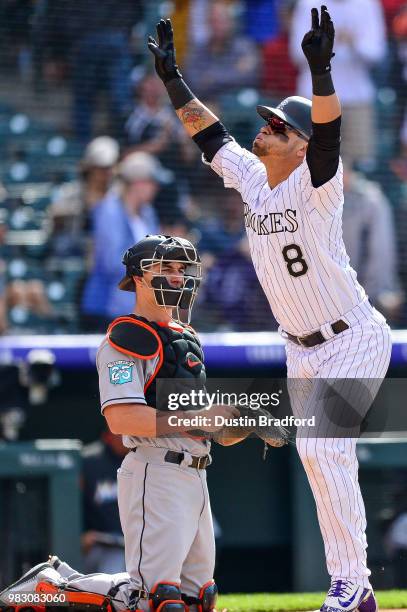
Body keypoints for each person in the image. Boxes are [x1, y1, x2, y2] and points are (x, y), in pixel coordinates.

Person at [146, 9, 392, 612]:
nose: (266, 130)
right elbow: (209, 135)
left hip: (350, 334)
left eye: (279, 127)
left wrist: (322, 71)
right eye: (269, 123)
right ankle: (351, 582)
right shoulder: (255, 179)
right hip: (298, 343)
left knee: (324, 450)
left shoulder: (318, 181)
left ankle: (352, 584)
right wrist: (174, 79)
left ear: (301, 145)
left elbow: (330, 135)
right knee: (318, 460)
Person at [1, 234, 286, 611]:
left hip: (197, 473)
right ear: (138, 277)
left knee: (199, 598)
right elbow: (122, 418)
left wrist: (242, 421)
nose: (176, 276)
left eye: (181, 269)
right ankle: (52, 586)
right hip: (156, 470)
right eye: (165, 268)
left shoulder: (187, 338)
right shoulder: (125, 339)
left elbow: (207, 431)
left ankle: (59, 584)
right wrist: (198, 417)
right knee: (156, 599)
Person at [289, 0, 387, 165]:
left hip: (357, 99)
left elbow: (376, 53)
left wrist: (352, 41)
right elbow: (296, 54)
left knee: (360, 163)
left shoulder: (368, 4)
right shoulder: (308, 4)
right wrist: (324, 42)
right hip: (313, 98)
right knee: (309, 161)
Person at [80, 152, 165, 331]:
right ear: (138, 183)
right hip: (106, 310)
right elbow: (111, 262)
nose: (156, 188)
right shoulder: (108, 210)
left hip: (138, 310)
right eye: (152, 182)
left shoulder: (148, 213)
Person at [81, 428, 128, 574]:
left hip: (139, 543)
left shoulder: (144, 461)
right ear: (107, 435)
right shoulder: (89, 462)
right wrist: (81, 533)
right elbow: (70, 505)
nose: (124, 438)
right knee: (115, 558)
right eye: (120, 433)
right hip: (101, 544)